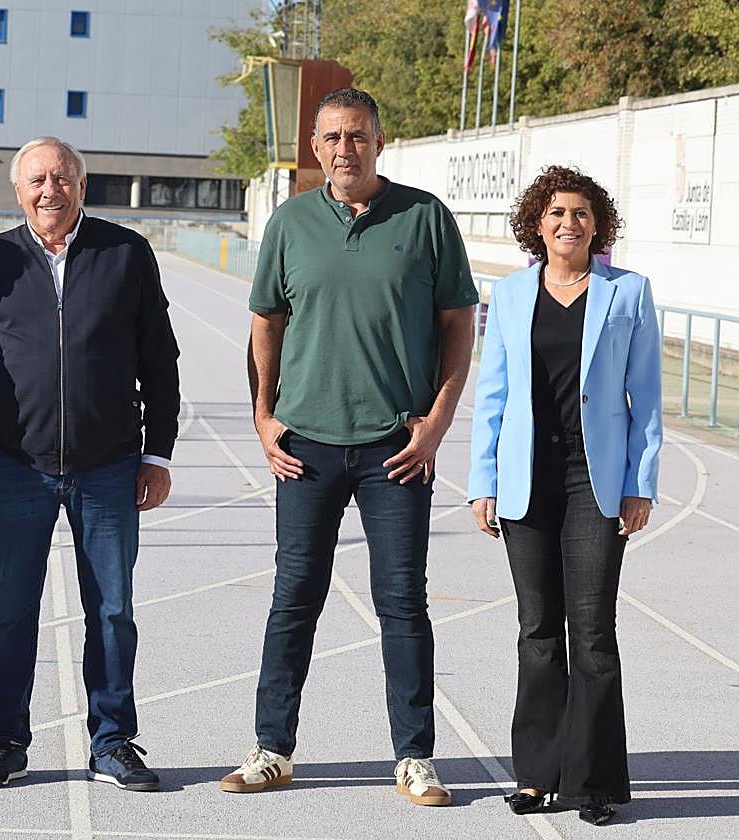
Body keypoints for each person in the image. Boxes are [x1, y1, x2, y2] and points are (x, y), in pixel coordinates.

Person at [221, 88, 477, 805]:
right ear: (315, 146)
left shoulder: (425, 218)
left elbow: (460, 325)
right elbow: (265, 323)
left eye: (357, 136)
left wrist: (435, 424)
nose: (344, 149)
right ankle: (273, 749)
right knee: (293, 598)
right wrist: (264, 416)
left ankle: (415, 757)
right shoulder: (291, 223)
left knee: (401, 603)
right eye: (332, 137)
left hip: (396, 446)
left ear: (379, 140)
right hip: (305, 446)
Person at [0, 136, 180, 792]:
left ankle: (112, 742)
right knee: (9, 609)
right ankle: (5, 739)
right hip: (16, 466)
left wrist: (156, 452)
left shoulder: (125, 253)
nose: (51, 190)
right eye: (38, 180)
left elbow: (159, 360)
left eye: (63, 178)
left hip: (108, 466)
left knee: (112, 611)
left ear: (82, 184)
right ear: (18, 190)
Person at [467, 165, 662, 827]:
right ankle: (538, 777)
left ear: (597, 225)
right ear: (537, 224)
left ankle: (594, 784)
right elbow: (491, 394)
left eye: (580, 213)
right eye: (556, 213)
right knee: (537, 633)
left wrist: (640, 484)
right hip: (527, 482)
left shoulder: (628, 293)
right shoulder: (511, 294)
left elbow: (648, 402)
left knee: (595, 635)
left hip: (595, 483)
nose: (568, 224)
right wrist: (482, 482)